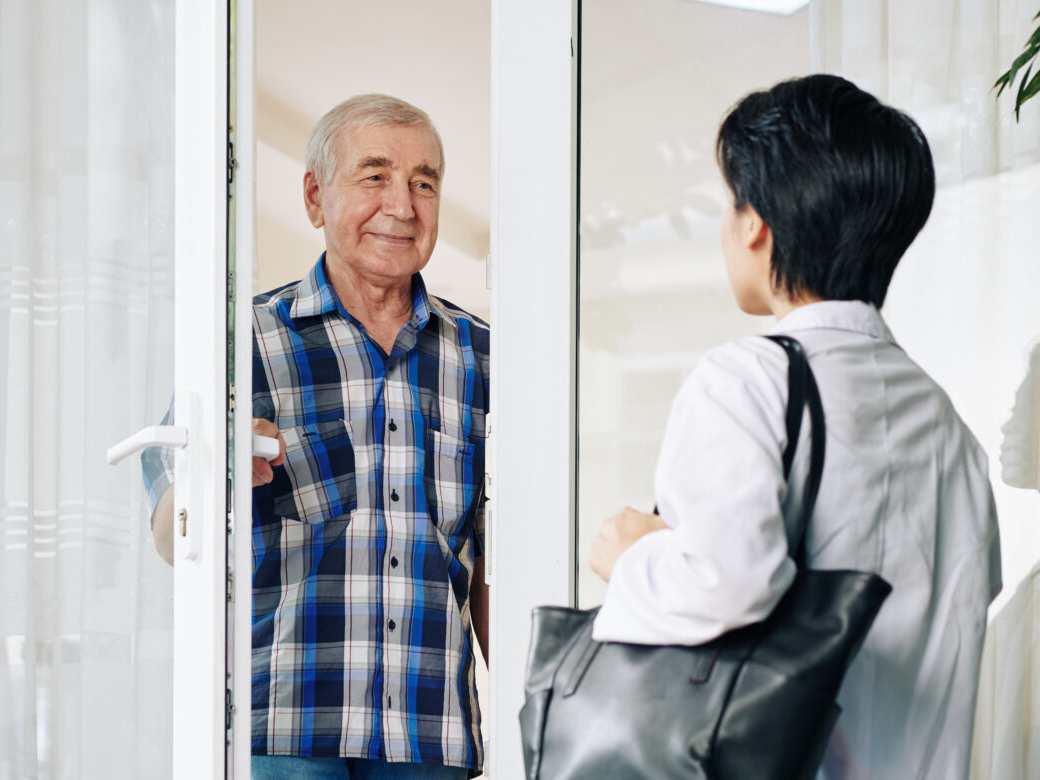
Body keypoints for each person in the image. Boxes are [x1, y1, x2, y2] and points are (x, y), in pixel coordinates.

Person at [587, 74, 1001, 779]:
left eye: (730, 200)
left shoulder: (746, 380)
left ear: (756, 222)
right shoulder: (950, 431)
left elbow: (726, 582)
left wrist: (628, 556)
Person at [143, 95, 489, 779]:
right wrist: (219, 477)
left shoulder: (482, 355)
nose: (403, 204)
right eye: (375, 176)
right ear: (314, 196)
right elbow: (168, 534)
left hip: (428, 739)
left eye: (425, 182)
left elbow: (493, 564)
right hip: (284, 735)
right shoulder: (237, 343)